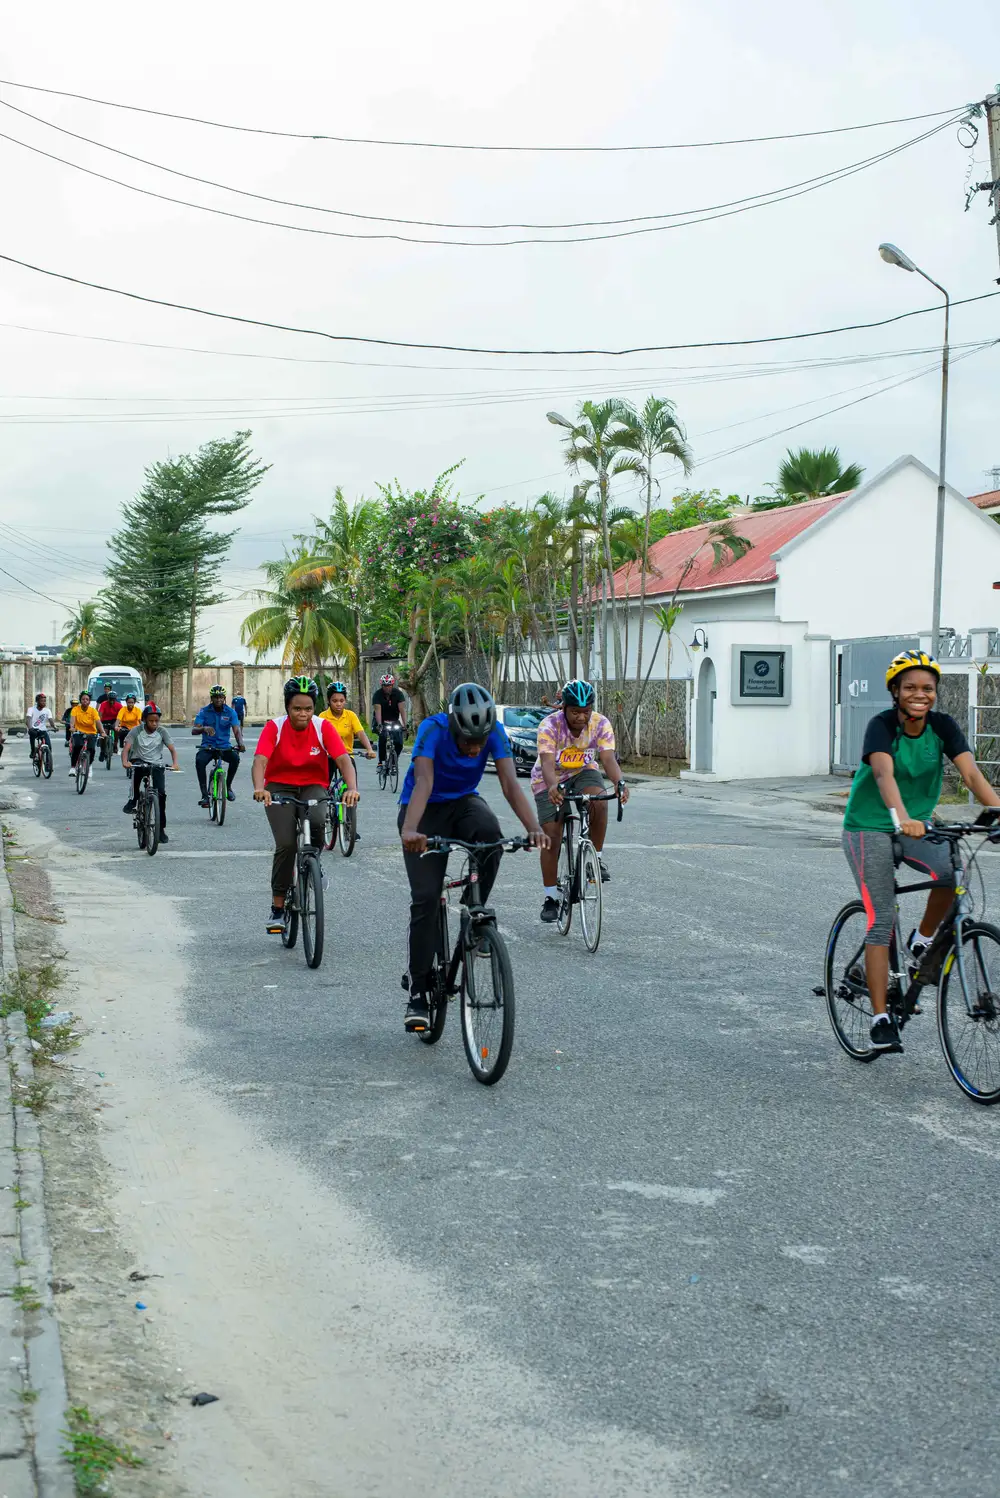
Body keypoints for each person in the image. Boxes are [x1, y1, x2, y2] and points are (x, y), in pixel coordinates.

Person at [842, 649, 1000, 1052]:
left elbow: (970, 772)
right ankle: (880, 1018)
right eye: (910, 687)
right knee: (882, 919)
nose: (920, 694)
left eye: (927, 688)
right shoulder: (881, 726)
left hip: (918, 824)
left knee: (951, 870)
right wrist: (899, 815)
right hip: (869, 827)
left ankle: (923, 938)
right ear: (895, 691)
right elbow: (882, 772)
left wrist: (997, 810)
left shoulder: (942, 726)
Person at [399, 683, 548, 1034]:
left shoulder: (493, 731)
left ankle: (473, 909)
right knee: (424, 898)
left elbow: (511, 784)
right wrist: (410, 829)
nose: (475, 748)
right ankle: (418, 991)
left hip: (465, 802)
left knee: (491, 837)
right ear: (453, 725)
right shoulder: (432, 730)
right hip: (423, 810)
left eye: (480, 741)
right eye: (468, 740)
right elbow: (423, 781)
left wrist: (533, 828)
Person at [251, 677, 359, 932]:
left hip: (313, 785)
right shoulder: (274, 728)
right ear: (288, 708)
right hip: (278, 786)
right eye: (297, 709)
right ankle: (278, 909)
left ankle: (313, 860)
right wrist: (259, 788)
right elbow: (260, 761)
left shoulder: (323, 728)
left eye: (308, 709)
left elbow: (343, 759)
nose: (303, 714)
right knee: (287, 844)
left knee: (320, 819)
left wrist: (352, 788)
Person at [531, 680, 629, 923]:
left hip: (583, 772)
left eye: (586, 712)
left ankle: (594, 857)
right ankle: (550, 898)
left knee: (599, 800)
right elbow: (545, 763)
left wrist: (619, 782)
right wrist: (553, 785)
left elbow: (607, 758)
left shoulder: (600, 723)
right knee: (552, 836)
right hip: (549, 777)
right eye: (575, 712)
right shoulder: (549, 725)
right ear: (563, 708)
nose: (581, 717)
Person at [122, 705, 179, 843]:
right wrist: (125, 761)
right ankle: (134, 799)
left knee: (161, 795)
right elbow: (126, 749)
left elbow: (172, 749)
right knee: (136, 778)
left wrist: (175, 763)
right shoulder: (136, 731)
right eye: (151, 721)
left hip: (156, 763)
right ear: (144, 720)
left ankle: (160, 829)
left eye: (156, 721)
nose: (154, 724)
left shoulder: (162, 731)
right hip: (139, 761)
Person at [193, 685, 245, 807]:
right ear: (212, 698)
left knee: (235, 759)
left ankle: (228, 787)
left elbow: (236, 730)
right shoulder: (204, 711)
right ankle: (205, 795)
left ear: (224, 698)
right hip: (208, 747)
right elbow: (194, 730)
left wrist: (240, 743)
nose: (218, 700)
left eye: (221, 697)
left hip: (224, 747)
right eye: (215, 697)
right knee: (199, 761)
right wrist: (204, 728)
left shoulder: (230, 712)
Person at [320, 682, 376, 760]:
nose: (338, 704)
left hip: (347, 755)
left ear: (345, 700)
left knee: (351, 772)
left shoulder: (351, 715)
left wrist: (369, 749)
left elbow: (360, 733)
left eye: (341, 701)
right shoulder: (322, 716)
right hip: (328, 756)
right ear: (329, 701)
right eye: (335, 701)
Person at [372, 673, 406, 767]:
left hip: (394, 720)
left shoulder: (398, 694)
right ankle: (381, 761)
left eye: (389, 685)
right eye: (385, 686)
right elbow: (378, 711)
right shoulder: (377, 695)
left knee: (399, 742)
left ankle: (394, 762)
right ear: (382, 685)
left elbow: (402, 710)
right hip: (381, 720)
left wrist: (404, 725)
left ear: (392, 685)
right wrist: (379, 725)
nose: (387, 688)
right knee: (382, 738)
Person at [69, 691, 106, 775]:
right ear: (80, 700)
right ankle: (73, 767)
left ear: (89, 701)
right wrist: (72, 727)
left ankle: (89, 766)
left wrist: (102, 732)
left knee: (91, 750)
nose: (85, 701)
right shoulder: (75, 709)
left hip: (91, 733)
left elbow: (98, 722)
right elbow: (72, 719)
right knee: (77, 747)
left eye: (87, 699)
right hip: (79, 732)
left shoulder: (93, 711)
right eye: (83, 699)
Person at [25, 693, 55, 764]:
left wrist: (54, 727)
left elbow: (51, 721)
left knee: (49, 746)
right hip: (34, 729)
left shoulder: (47, 710)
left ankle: (48, 764)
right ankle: (33, 750)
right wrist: (30, 728)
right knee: (32, 734)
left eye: (45, 701)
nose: (44, 703)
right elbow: (28, 720)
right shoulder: (31, 709)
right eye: (42, 701)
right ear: (37, 701)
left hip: (43, 731)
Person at [96, 685, 120, 762]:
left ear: (115, 699)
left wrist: (118, 725)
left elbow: (122, 716)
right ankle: (102, 751)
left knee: (117, 730)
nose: (112, 701)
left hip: (114, 721)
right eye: (110, 700)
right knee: (104, 735)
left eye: (113, 700)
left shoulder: (119, 705)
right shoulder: (103, 704)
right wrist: (99, 726)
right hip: (105, 721)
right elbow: (99, 715)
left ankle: (115, 745)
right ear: (108, 699)